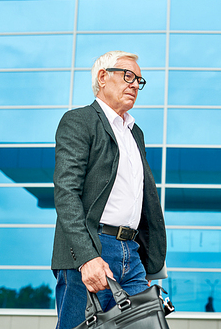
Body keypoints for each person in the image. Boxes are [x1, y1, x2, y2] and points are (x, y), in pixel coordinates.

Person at [51, 50, 167, 329]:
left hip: (132, 252)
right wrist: (87, 257)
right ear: (102, 77)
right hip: (94, 249)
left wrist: (149, 264)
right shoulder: (80, 121)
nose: (134, 84)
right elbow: (66, 192)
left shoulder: (134, 133)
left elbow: (143, 201)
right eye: (128, 75)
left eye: (138, 80)